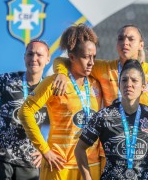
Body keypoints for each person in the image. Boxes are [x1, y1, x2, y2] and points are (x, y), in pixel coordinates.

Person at [53, 24, 148, 179]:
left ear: (141, 45)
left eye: (131, 39)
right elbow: (65, 60)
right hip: (109, 154)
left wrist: (144, 124)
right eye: (121, 38)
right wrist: (62, 74)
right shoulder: (103, 68)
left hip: (145, 153)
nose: (125, 42)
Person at [18, 24, 103, 180]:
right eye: (86, 57)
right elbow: (24, 112)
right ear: (72, 57)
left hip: (90, 166)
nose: (92, 62)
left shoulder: (95, 82)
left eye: (94, 57)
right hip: (60, 166)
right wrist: (45, 150)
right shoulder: (55, 82)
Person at [75, 59, 148, 179]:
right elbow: (80, 149)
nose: (128, 84)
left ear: (143, 87)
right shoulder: (103, 116)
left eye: (134, 80)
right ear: (119, 85)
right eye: (124, 80)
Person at [0, 39, 50, 180]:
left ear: (48, 59)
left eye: (39, 55)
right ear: (24, 57)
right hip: (0, 158)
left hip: (30, 162)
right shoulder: (6, 80)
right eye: (30, 54)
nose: (34, 59)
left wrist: (46, 149)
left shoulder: (50, 89)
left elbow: (61, 124)